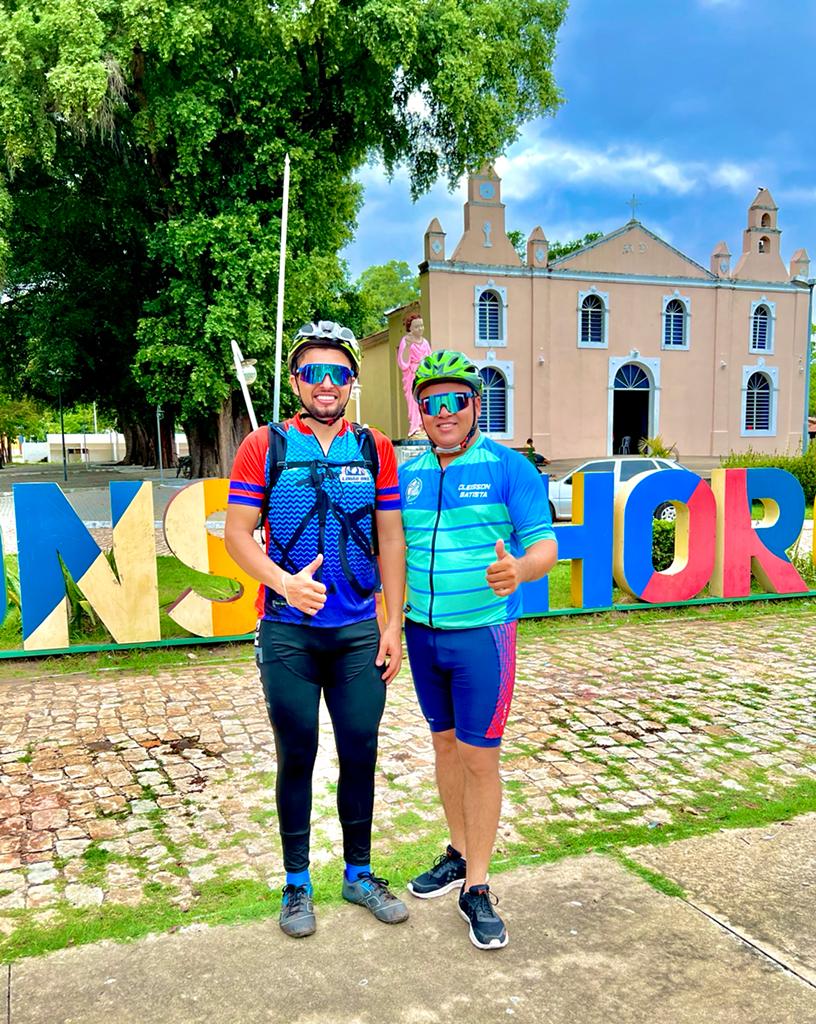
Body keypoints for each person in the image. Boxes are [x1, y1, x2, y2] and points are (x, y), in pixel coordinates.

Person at [225, 320, 408, 939]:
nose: (325, 383)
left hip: (359, 631)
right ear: (297, 381)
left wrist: (394, 623)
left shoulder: (376, 447)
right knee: (296, 754)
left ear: (352, 382)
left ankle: (358, 874)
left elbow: (390, 538)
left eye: (338, 373)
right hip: (288, 634)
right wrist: (284, 583)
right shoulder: (265, 444)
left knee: (360, 751)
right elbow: (236, 535)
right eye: (313, 372)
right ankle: (296, 884)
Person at [398, 351, 557, 950]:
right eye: (431, 401)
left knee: (479, 758)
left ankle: (479, 887)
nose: (443, 412)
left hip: (483, 637)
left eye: (454, 400)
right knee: (443, 745)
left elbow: (543, 543)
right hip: (422, 633)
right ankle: (458, 853)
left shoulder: (507, 468)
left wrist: (518, 569)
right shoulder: (410, 474)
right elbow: (394, 552)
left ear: (474, 405)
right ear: (421, 411)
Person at [397, 313, 432, 437]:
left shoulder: (425, 343)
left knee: (425, 400)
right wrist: (407, 346)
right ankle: (415, 427)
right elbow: (403, 363)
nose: (420, 329)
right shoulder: (406, 341)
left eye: (421, 326)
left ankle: (424, 425)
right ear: (410, 328)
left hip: (424, 374)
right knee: (413, 401)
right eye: (417, 326)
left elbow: (430, 359)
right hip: (412, 375)